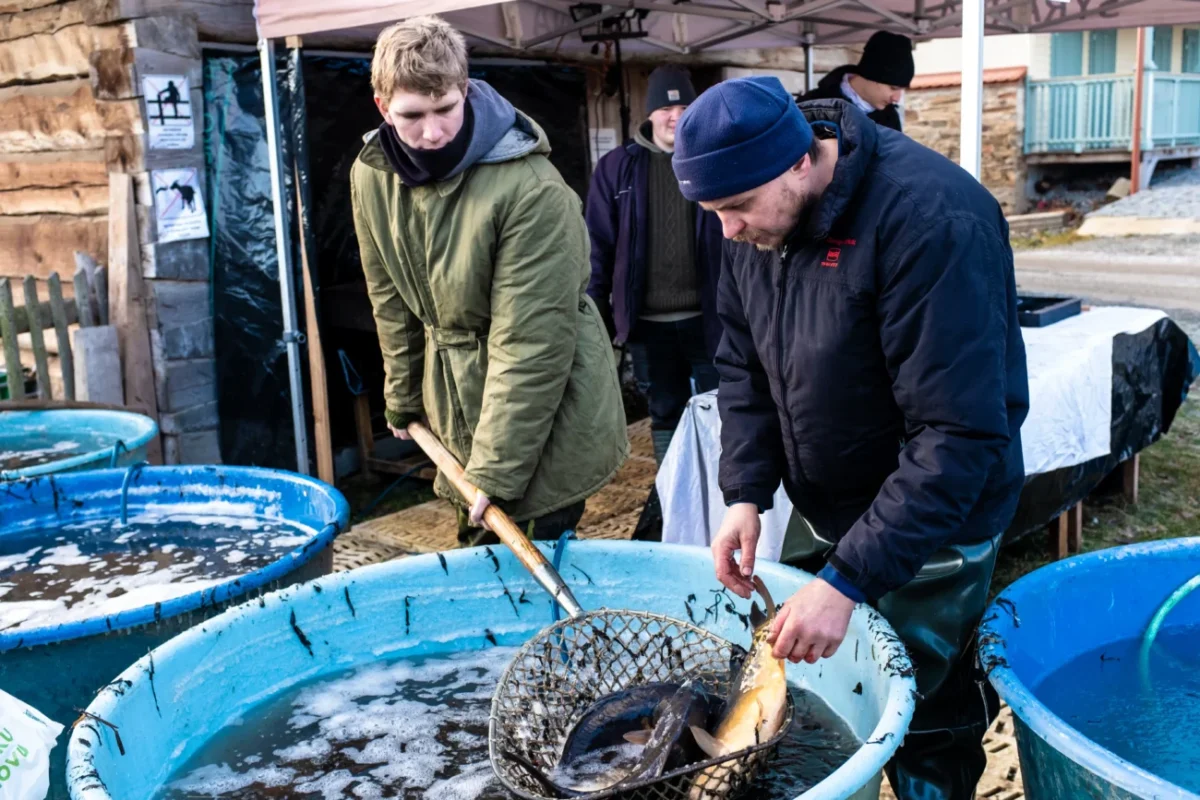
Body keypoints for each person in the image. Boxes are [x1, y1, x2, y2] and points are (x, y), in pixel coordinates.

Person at [671, 76, 1029, 799]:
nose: (728, 231)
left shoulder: (933, 219)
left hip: (941, 521)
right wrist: (744, 493)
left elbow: (958, 434)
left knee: (925, 708)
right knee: (814, 681)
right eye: (712, 213)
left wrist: (848, 581)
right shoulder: (752, 222)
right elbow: (743, 368)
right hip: (831, 496)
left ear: (801, 160)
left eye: (736, 208)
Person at [351, 15, 629, 547]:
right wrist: (404, 396)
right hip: (455, 401)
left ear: (466, 91)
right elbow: (390, 296)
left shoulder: (531, 191)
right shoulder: (372, 175)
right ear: (383, 107)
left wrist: (497, 470)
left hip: (547, 414)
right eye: (412, 115)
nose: (432, 132)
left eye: (446, 109)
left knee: (532, 554)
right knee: (476, 552)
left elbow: (532, 341)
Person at [585, 65, 725, 468]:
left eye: (685, 106)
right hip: (648, 324)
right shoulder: (617, 167)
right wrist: (598, 314)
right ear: (650, 113)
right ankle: (672, 490)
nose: (676, 116)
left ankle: (724, 493)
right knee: (665, 412)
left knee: (722, 407)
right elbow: (597, 244)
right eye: (666, 107)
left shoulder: (710, 162)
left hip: (709, 318)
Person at [797, 30, 913, 132]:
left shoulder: (890, 118)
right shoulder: (811, 105)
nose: (897, 98)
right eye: (893, 88)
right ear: (871, 75)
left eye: (902, 90)